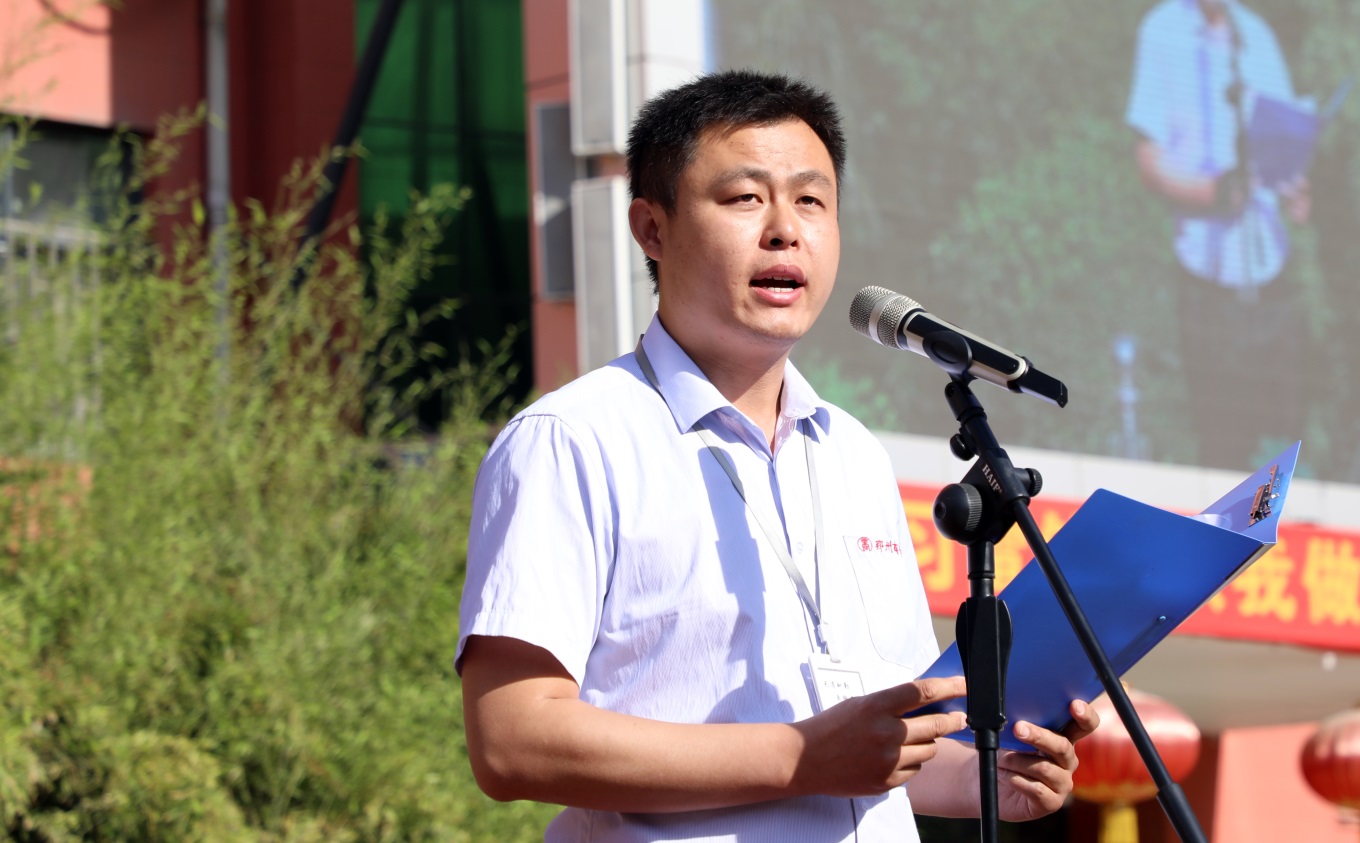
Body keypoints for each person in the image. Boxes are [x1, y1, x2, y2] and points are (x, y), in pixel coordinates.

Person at [456, 70, 1097, 841]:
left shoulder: (853, 455)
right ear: (652, 229)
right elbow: (512, 738)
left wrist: (989, 776)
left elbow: (888, 746)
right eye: (745, 198)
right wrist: (798, 755)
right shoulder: (573, 438)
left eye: (811, 201)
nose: (785, 229)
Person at [1128, 0, 1311, 469]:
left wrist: (1297, 189)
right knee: (1223, 444)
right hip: (1206, 277)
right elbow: (1149, 162)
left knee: (1287, 441)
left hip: (1272, 267)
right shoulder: (1163, 29)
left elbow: (1286, 143)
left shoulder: (1257, 36)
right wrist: (1210, 194)